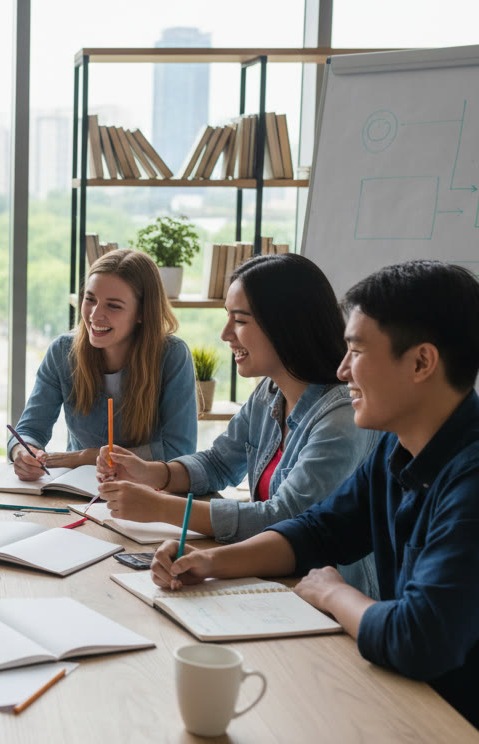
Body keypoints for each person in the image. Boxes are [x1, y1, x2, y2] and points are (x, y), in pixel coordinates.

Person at [150, 260, 479, 744]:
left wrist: (334, 593)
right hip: (418, 705)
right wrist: (208, 563)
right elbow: (318, 530)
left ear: (421, 363)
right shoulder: (399, 447)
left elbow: (419, 639)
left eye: (358, 350)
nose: (342, 369)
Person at [95, 253, 380, 595]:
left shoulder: (341, 419)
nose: (225, 333)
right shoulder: (271, 390)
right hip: (278, 582)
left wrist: (161, 507)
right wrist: (151, 473)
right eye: (227, 318)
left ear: (286, 324)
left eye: (240, 321)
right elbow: (218, 462)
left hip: (333, 598)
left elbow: (284, 519)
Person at [9, 249, 195, 479]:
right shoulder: (62, 352)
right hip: (79, 490)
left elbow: (179, 451)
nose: (95, 315)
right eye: (90, 300)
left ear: (142, 313)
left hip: (145, 495)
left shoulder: (172, 356)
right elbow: (29, 430)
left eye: (113, 306)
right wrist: (22, 452)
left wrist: (83, 457)